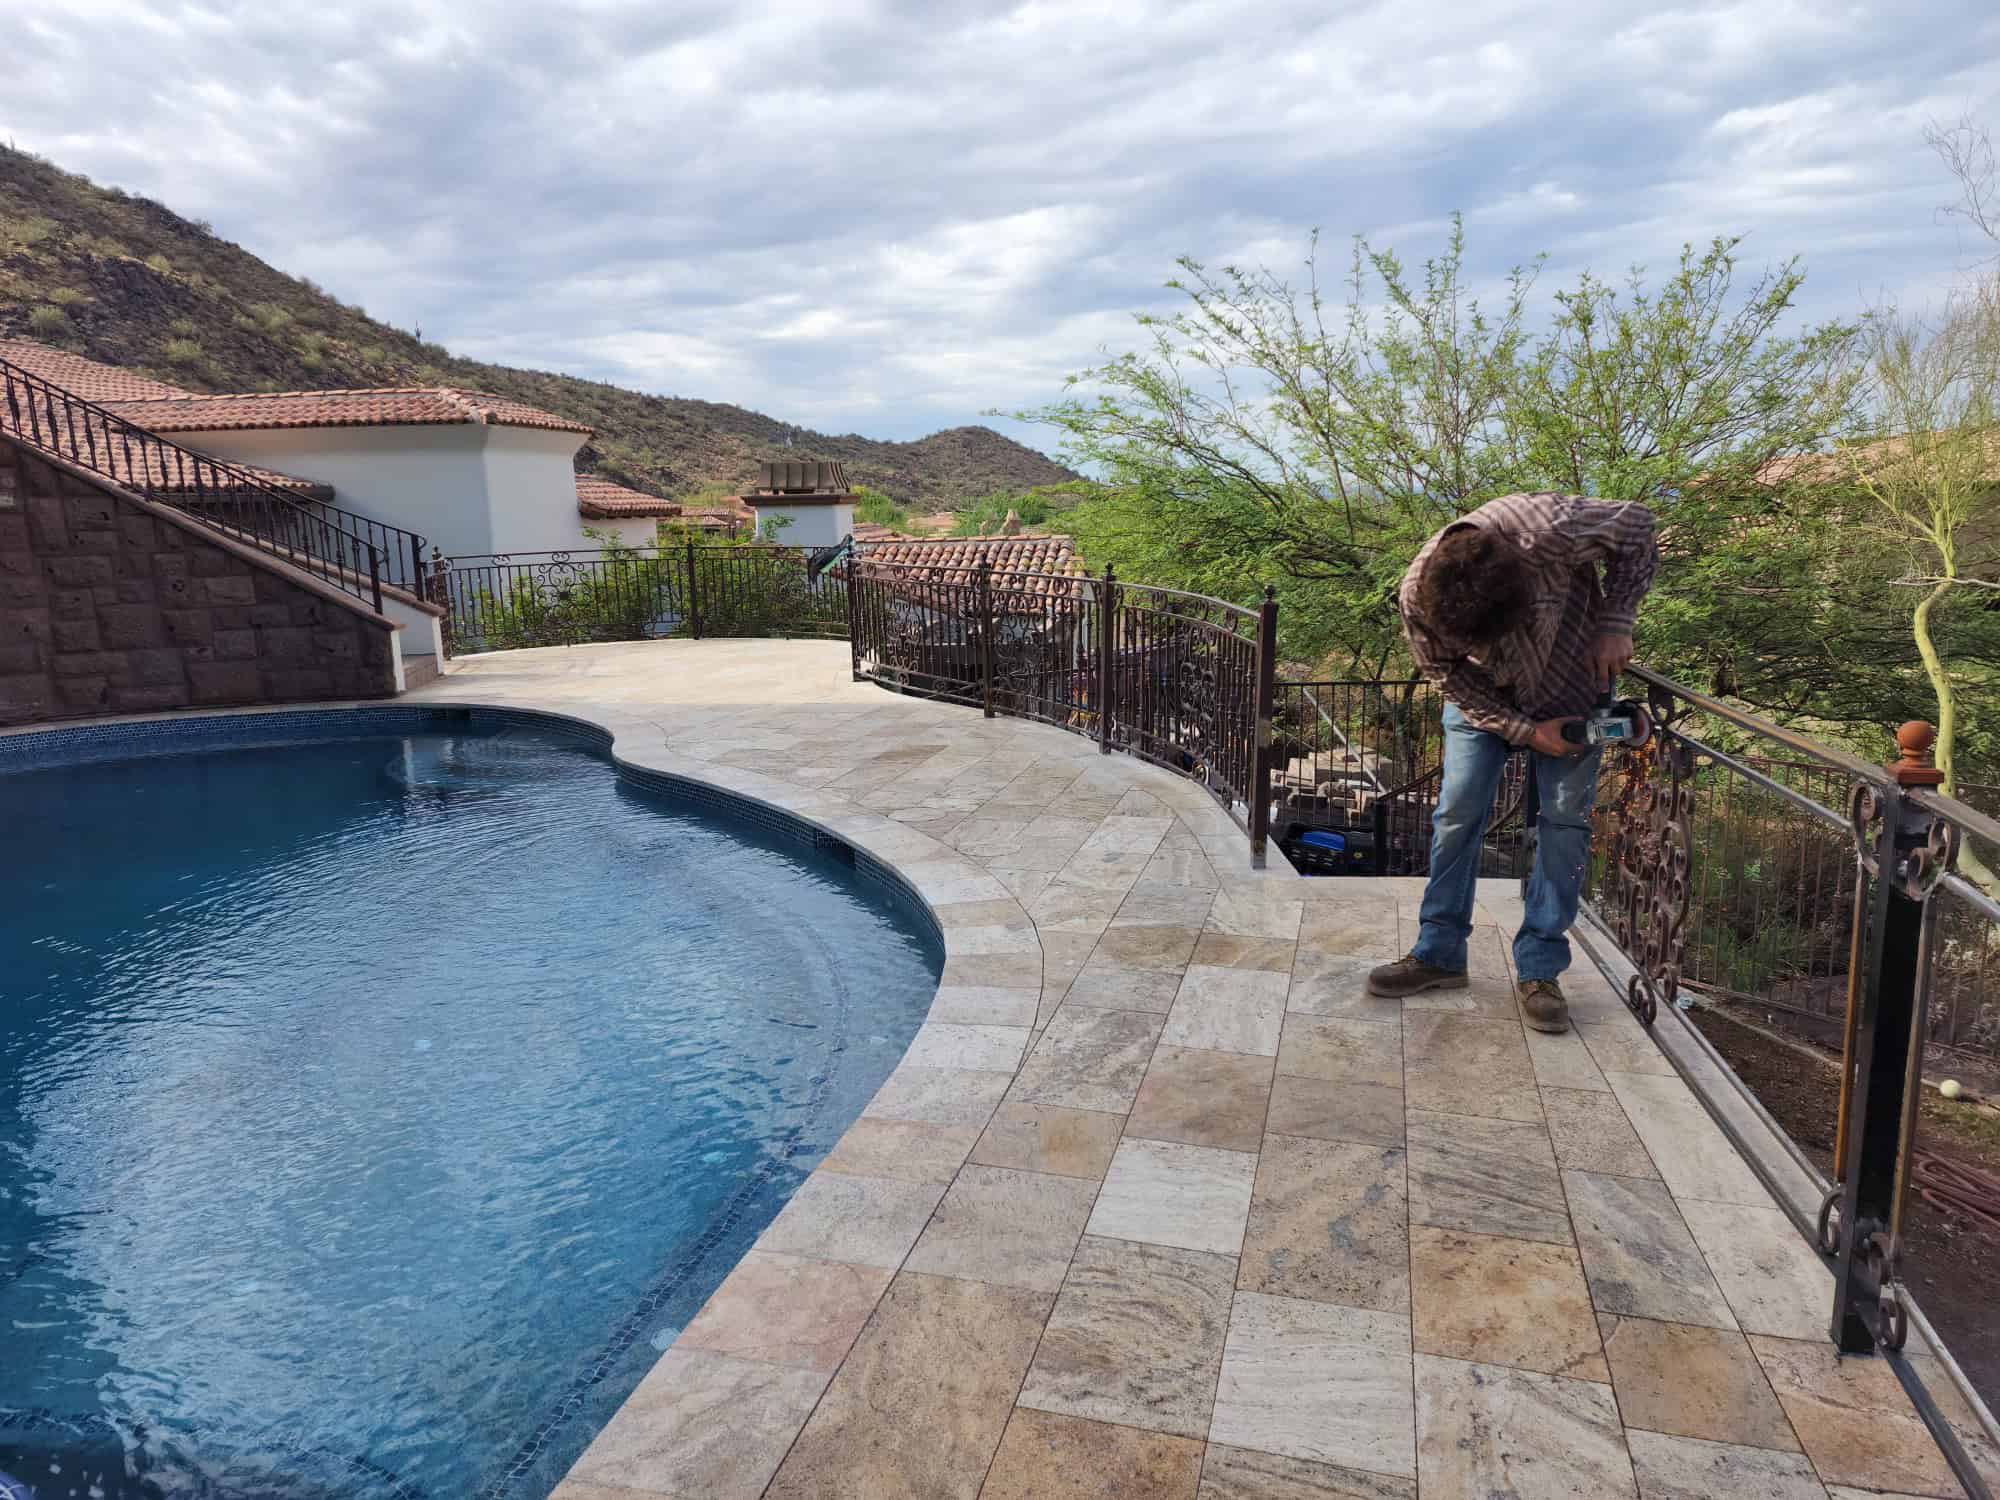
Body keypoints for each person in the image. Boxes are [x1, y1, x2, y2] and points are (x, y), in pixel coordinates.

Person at [1366, 492, 1659, 1034]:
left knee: (1565, 825)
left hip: (1573, 689)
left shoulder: (1547, 528)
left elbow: (1638, 526)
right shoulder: (1416, 597)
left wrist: (1616, 621)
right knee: (1456, 816)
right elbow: (1447, 676)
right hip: (1482, 709)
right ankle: (1438, 954)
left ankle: (1541, 971)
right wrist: (1523, 730)